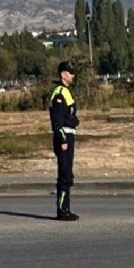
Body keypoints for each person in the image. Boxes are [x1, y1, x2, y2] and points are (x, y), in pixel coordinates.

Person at [50, 61, 80, 221]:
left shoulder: (67, 92)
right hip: (64, 137)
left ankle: (66, 208)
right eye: (70, 72)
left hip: (69, 135)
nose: (72, 75)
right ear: (63, 74)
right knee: (64, 174)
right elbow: (57, 120)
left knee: (68, 173)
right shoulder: (60, 93)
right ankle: (62, 210)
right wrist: (62, 138)